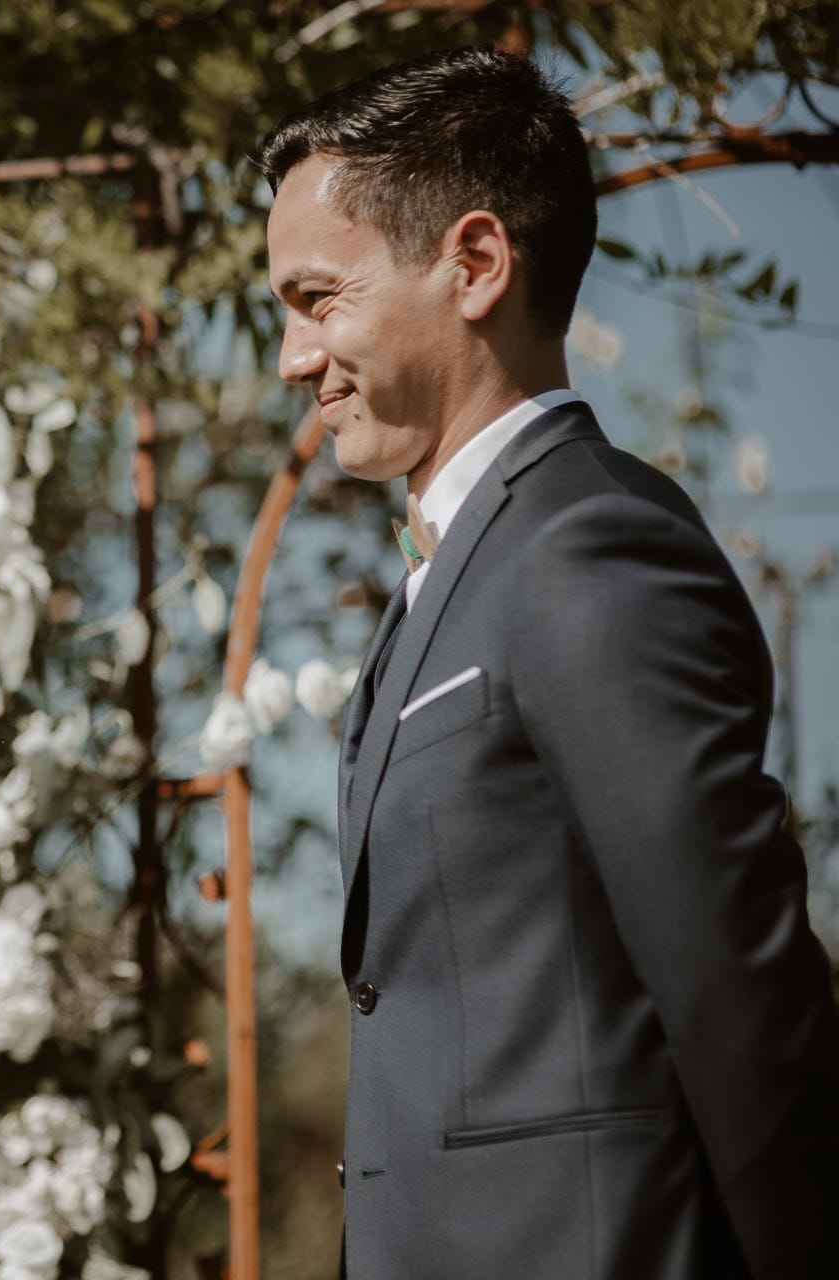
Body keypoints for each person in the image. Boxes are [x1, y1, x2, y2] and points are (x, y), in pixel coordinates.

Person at [257, 47, 839, 1279]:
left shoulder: (587, 545)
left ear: (472, 264)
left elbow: (738, 990)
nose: (291, 359)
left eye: (318, 300)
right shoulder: (450, 572)